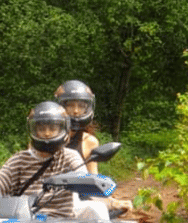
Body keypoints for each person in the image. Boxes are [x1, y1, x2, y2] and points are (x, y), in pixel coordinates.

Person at [0, 101, 107, 220]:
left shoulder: (70, 156)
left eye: (53, 128)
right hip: (23, 220)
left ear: (63, 129)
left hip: (61, 221)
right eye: (41, 128)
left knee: (98, 208)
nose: (47, 133)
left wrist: (77, 181)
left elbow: (82, 176)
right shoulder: (19, 159)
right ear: (33, 130)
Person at [54, 79, 133, 215]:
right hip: (47, 202)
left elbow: (93, 184)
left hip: (79, 205)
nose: (76, 111)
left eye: (81, 106)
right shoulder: (44, 139)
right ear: (60, 107)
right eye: (70, 106)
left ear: (88, 108)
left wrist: (114, 203)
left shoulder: (89, 141)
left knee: (101, 216)